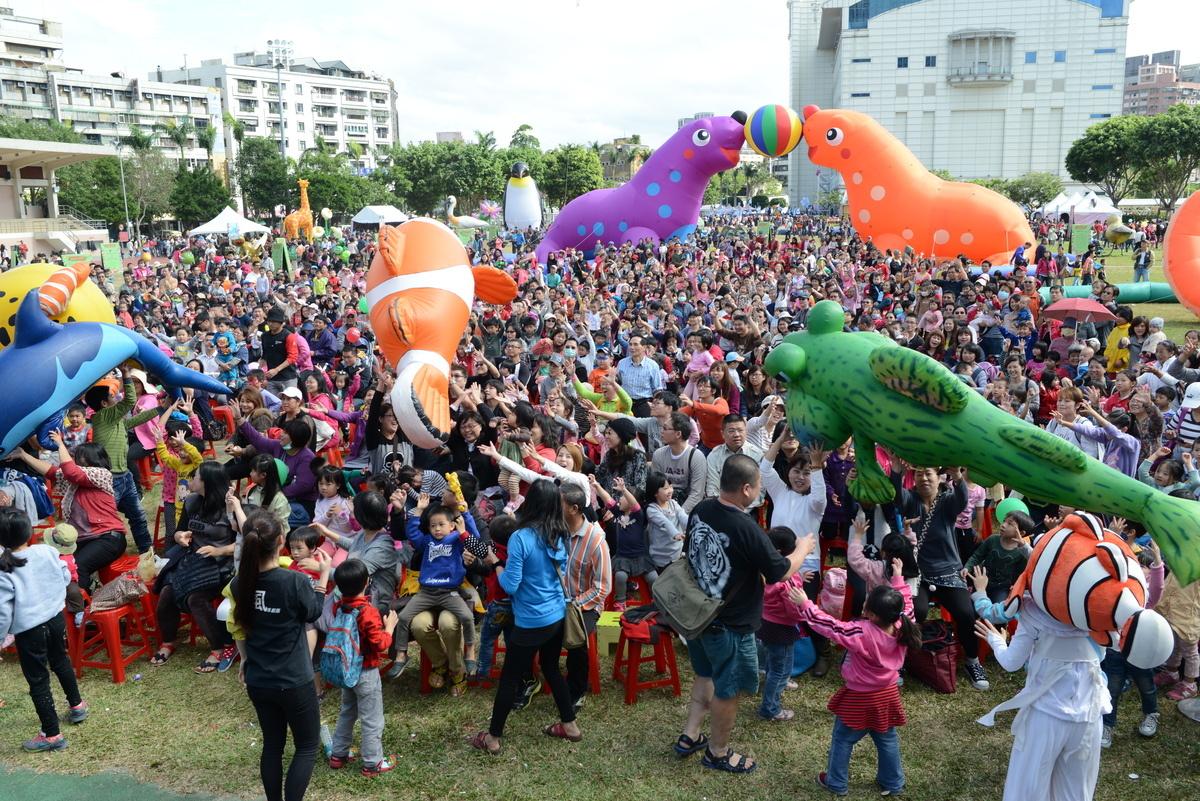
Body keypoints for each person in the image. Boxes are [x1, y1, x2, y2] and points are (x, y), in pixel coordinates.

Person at [674, 454, 804, 774]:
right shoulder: (747, 527)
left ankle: (691, 736)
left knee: (705, 674)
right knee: (728, 689)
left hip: (699, 616)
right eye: (758, 486)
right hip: (729, 625)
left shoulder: (702, 508)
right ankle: (718, 753)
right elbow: (780, 572)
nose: (759, 492)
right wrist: (804, 548)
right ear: (746, 489)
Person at [225, 511, 330, 801]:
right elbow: (312, 613)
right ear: (281, 542)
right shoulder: (293, 581)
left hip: (259, 680)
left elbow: (240, 628)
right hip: (293, 680)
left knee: (272, 746)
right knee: (307, 746)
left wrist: (244, 660)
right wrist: (322, 577)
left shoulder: (239, 584)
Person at [800, 550, 919, 797]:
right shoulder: (902, 623)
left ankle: (836, 782)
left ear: (871, 614)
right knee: (887, 739)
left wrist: (804, 604)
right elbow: (906, 605)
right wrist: (898, 579)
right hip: (887, 694)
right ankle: (893, 783)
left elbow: (828, 626)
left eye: (866, 601)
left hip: (860, 697)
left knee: (843, 739)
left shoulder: (860, 632)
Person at [474, 480, 581, 754]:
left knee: (510, 679)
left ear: (529, 502)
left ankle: (493, 738)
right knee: (553, 668)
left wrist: (496, 564)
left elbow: (510, 585)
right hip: (556, 615)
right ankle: (570, 726)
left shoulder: (521, 538)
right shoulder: (561, 532)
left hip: (531, 620)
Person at [0, 507, 87, 752]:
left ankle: (51, 734)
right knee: (61, 661)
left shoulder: (4, 568)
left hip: (30, 631)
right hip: (56, 618)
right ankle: (77, 705)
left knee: (38, 680)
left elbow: (3, 611)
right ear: (29, 531)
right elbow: (65, 578)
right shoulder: (47, 550)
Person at [390, 494, 482, 696]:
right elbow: (412, 533)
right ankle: (401, 656)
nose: (437, 529)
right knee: (404, 617)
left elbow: (475, 539)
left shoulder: (457, 539)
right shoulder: (427, 542)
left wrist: (465, 516)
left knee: (466, 617)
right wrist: (419, 511)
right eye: (433, 526)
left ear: (451, 526)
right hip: (427, 593)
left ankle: (469, 654)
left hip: (450, 592)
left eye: (441, 525)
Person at [8, 435, 124, 592]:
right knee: (59, 565)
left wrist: (60, 445)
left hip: (107, 538)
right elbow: (52, 472)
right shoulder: (78, 477)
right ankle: (82, 593)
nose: (75, 458)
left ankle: (79, 611)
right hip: (85, 539)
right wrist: (23, 455)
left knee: (77, 567)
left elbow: (70, 472)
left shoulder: (102, 474)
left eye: (79, 455)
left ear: (91, 457)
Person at [153, 460, 239, 674]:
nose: (191, 479)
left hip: (221, 566)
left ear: (207, 482)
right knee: (166, 593)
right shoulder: (191, 501)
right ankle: (169, 642)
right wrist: (180, 536)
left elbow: (245, 542)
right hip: (194, 562)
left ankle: (218, 647)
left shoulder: (229, 506)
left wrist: (219, 550)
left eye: (195, 476)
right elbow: (178, 531)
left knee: (196, 598)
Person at [327, 559, 399, 776]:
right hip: (366, 672)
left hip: (346, 669)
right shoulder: (368, 611)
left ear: (338, 586)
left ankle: (339, 754)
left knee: (348, 711)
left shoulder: (339, 606)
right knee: (371, 718)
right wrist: (390, 628)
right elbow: (380, 644)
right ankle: (373, 762)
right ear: (368, 582)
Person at [82, 365, 157, 554]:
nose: (116, 398)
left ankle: (147, 553)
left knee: (137, 515)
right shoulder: (103, 417)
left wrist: (163, 407)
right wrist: (125, 376)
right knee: (107, 520)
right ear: (104, 404)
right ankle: (102, 552)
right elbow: (130, 400)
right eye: (111, 397)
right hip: (110, 479)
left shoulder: (115, 420)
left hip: (124, 476)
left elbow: (139, 419)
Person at [757, 525, 804, 723]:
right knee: (781, 668)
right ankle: (770, 709)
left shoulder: (765, 571)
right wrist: (804, 614)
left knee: (773, 662)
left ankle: (780, 682)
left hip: (764, 622)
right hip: (782, 628)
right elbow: (793, 606)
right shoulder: (789, 579)